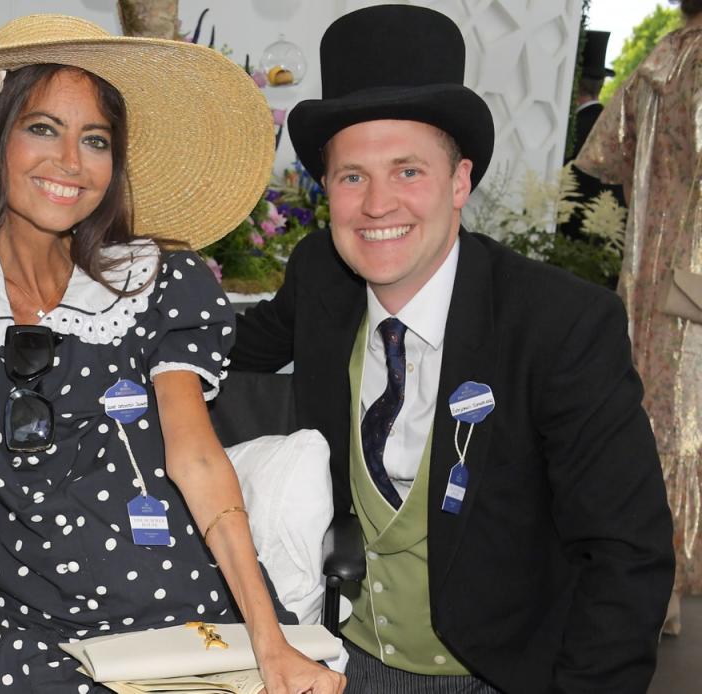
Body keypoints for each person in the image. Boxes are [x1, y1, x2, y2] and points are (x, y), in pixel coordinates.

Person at [0, 14, 345, 694]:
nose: (71, 162)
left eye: (95, 140)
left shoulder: (157, 284)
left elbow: (198, 459)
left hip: (171, 603)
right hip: (10, 616)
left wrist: (269, 645)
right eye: (42, 128)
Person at [231, 5, 674, 693]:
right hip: (338, 659)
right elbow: (225, 351)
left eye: (408, 171)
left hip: (496, 672)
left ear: (460, 181)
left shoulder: (559, 323)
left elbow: (626, 555)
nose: (378, 205)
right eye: (352, 177)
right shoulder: (320, 275)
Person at [576, 0, 702, 636]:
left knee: (650, 410)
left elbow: (605, 160)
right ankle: (670, 575)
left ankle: (649, 579)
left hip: (653, 270)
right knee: (687, 417)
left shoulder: (659, 63)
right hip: (696, 275)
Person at [559, 30, 626, 248]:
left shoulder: (571, 133)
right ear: (601, 85)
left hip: (568, 247)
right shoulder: (617, 130)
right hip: (603, 251)